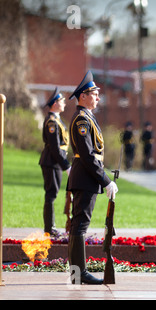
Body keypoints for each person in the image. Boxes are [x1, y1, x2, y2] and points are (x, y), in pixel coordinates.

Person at [67, 70, 118, 285]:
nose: (98, 97)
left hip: (86, 178)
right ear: (83, 96)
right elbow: (88, 156)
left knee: (80, 224)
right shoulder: (81, 120)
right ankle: (79, 274)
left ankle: (77, 274)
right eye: (94, 94)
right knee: (80, 226)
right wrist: (105, 181)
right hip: (85, 178)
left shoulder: (87, 117)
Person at [39, 87, 71, 236]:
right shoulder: (52, 122)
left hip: (55, 161)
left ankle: (50, 227)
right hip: (52, 161)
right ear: (55, 103)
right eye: (62, 101)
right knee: (51, 194)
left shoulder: (56, 119)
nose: (64, 103)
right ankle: (49, 228)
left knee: (53, 193)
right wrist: (66, 166)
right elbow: (54, 147)